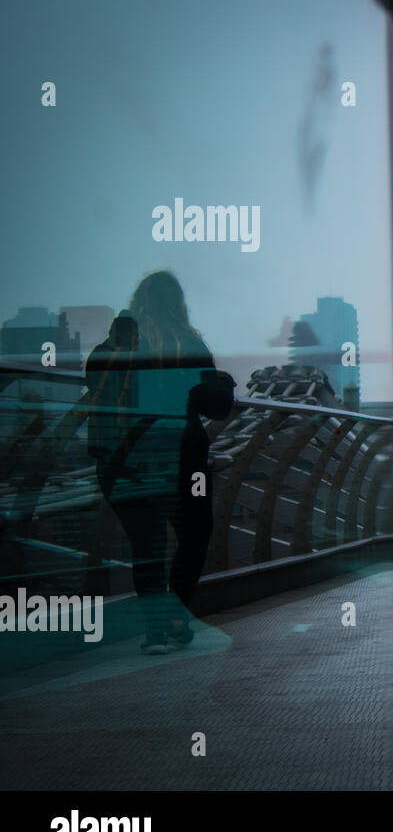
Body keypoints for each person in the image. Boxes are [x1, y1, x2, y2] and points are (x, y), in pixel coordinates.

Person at [88, 272, 222, 654]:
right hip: (182, 460)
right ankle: (177, 615)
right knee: (195, 535)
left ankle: (156, 634)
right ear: (178, 302)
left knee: (147, 545)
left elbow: (94, 389)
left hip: (121, 462)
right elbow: (211, 403)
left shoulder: (111, 347)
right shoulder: (188, 342)